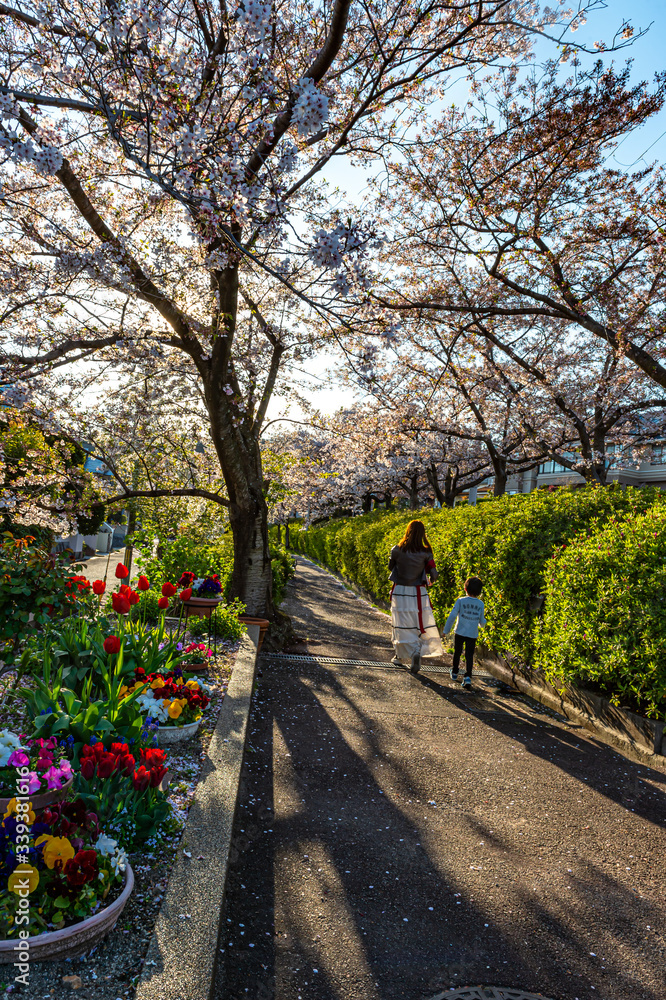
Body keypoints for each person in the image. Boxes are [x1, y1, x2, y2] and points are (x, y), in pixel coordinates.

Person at [388, 520, 443, 674]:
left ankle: (399, 655)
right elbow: (434, 573)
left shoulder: (397, 549)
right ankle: (417, 651)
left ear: (408, 531)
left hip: (400, 590)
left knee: (400, 623)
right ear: (422, 533)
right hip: (418, 592)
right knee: (418, 623)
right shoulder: (426, 552)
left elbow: (390, 567)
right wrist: (431, 579)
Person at [443, 577, 486, 688]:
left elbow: (452, 616)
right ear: (480, 592)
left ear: (465, 589)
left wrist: (446, 631)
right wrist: (483, 624)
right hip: (472, 634)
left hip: (460, 632)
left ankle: (455, 672)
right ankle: (467, 677)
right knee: (469, 655)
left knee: (457, 652)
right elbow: (482, 621)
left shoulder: (461, 601)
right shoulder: (481, 604)